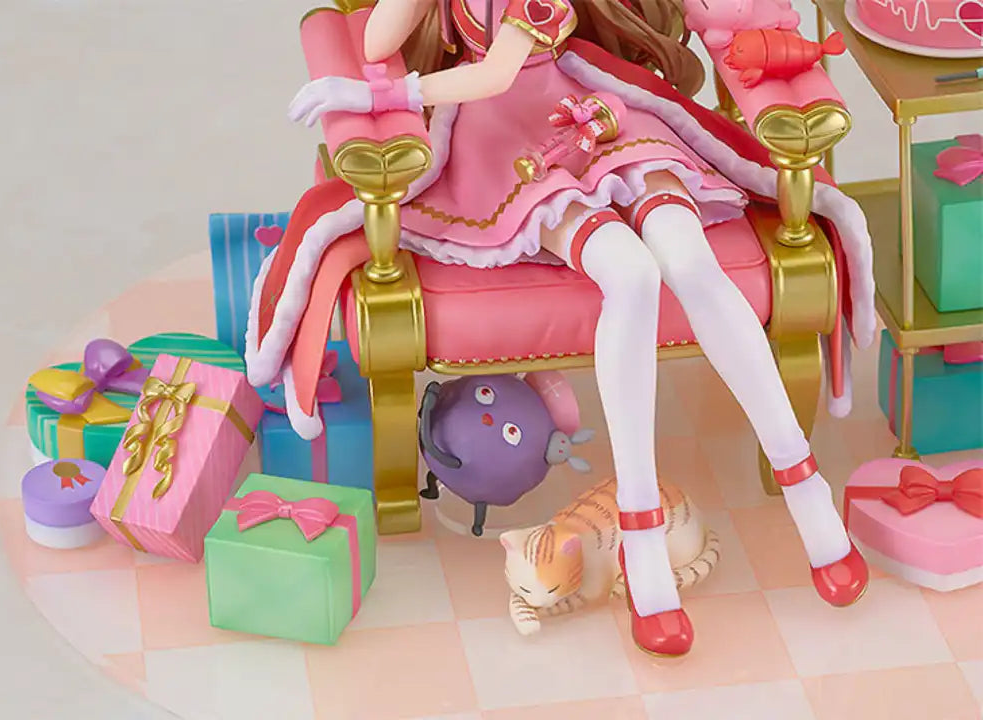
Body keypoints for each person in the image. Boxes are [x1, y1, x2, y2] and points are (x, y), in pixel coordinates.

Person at [248, 0, 876, 657]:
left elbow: (496, 69)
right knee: (630, 275)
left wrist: (389, 94)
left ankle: (807, 492)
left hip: (590, 113)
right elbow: (379, 38)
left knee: (689, 260)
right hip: (506, 148)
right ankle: (640, 530)